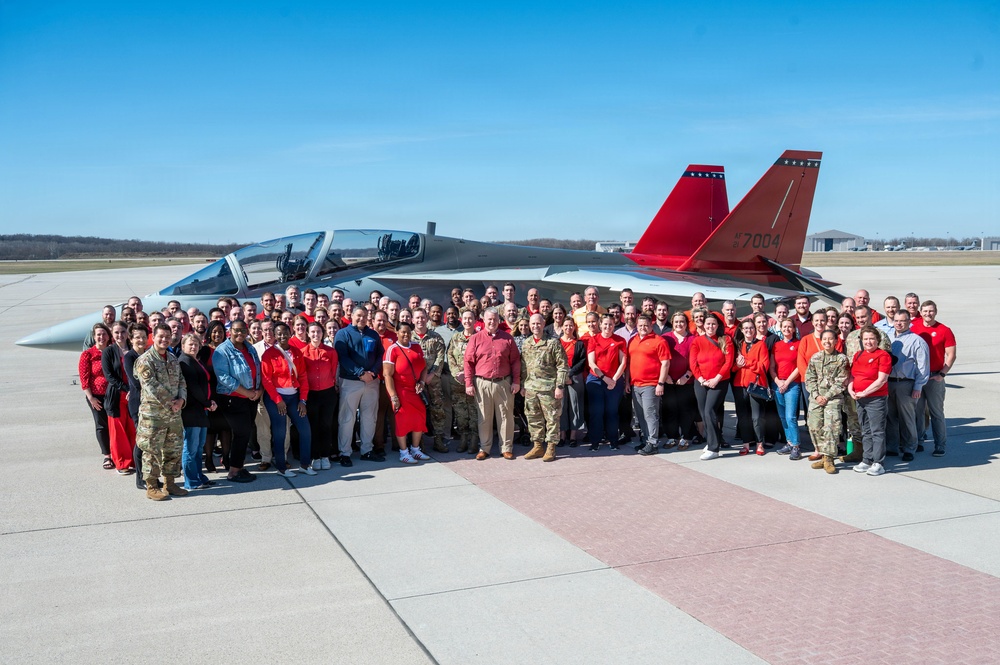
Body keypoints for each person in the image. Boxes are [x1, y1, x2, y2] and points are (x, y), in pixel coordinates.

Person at [134, 324, 188, 500]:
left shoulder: (172, 358)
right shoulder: (145, 360)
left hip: (173, 414)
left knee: (173, 449)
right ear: (153, 337)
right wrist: (170, 403)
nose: (164, 339)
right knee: (152, 451)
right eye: (161, 336)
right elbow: (151, 387)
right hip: (153, 416)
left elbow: (181, 381)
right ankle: (151, 485)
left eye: (167, 336)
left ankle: (170, 483)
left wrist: (181, 400)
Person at [464, 308, 521, 460]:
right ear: (484, 320)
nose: (492, 322)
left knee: (506, 416)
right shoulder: (475, 338)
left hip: (503, 383)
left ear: (498, 320)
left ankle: (506, 448)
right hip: (482, 383)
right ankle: (485, 448)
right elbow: (468, 362)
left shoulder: (508, 338)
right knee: (484, 417)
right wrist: (468, 384)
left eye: (495, 319)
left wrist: (516, 381)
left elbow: (515, 361)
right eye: (489, 319)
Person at [260, 322, 315, 477]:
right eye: (279, 333)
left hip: (295, 397)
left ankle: (305, 464)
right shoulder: (269, 354)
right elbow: (266, 379)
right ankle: (281, 468)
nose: (282, 336)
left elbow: (303, 377)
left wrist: (303, 400)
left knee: (305, 430)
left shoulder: (297, 352)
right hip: (275, 398)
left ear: (290, 334)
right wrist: (278, 400)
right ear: (274, 335)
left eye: (285, 333)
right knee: (280, 432)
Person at [212, 320, 263, 483]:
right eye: (236, 330)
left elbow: (258, 370)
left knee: (245, 433)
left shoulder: (250, 348)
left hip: (250, 398)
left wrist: (258, 390)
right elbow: (224, 378)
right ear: (230, 331)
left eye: (243, 330)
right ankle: (233, 471)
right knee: (241, 433)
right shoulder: (222, 351)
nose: (240, 333)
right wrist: (247, 392)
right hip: (232, 399)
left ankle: (239, 466)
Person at [334, 306, 385, 466]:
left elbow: (379, 355)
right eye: (358, 315)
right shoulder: (343, 333)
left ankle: (367, 450)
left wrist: (374, 372)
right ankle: (345, 453)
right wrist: (360, 372)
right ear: (351, 316)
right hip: (351, 382)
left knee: (369, 417)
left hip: (371, 382)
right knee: (347, 418)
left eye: (364, 316)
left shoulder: (373, 334)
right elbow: (342, 357)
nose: (361, 318)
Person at [520, 313, 568, 462]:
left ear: (543, 324)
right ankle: (537, 445)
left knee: (552, 418)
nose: (535, 326)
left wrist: (559, 386)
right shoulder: (527, 343)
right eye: (533, 324)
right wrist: (522, 385)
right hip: (531, 388)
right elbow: (523, 367)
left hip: (548, 388)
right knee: (533, 418)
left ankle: (551, 447)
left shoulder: (553, 343)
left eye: (538, 324)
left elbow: (562, 366)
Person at [911, 300, 956, 457]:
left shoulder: (944, 330)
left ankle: (940, 445)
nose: (927, 314)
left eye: (930, 311)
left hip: (934, 377)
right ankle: (918, 442)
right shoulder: (913, 327)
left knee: (936, 413)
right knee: (917, 412)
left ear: (935, 312)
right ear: (920, 312)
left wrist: (942, 374)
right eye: (925, 311)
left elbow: (951, 355)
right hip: (917, 377)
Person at [384, 321, 433, 463]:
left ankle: (415, 449)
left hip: (415, 390)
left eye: (408, 332)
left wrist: (422, 383)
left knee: (419, 417)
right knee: (402, 419)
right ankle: (404, 452)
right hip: (400, 390)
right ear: (397, 333)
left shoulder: (416, 347)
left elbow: (423, 367)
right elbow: (388, 375)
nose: (406, 334)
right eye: (403, 332)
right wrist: (393, 396)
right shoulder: (392, 349)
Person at [885, 311, 930, 462]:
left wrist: (918, 386)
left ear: (909, 321)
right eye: (896, 320)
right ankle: (892, 446)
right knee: (890, 417)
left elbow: (923, 367)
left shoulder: (917, 341)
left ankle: (909, 447)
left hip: (906, 383)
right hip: (888, 382)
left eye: (902, 321)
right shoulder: (888, 338)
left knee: (907, 418)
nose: (898, 323)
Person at [848, 326, 893, 476]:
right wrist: (851, 390)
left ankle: (878, 462)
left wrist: (865, 392)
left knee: (877, 431)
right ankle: (867, 459)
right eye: (865, 339)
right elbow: (852, 376)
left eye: (871, 339)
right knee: (865, 430)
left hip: (875, 399)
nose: (868, 342)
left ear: (877, 340)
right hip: (860, 398)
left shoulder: (883, 355)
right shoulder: (858, 355)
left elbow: (881, 380)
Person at [805, 330, 849, 474]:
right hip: (816, 398)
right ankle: (822, 455)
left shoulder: (841, 359)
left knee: (831, 427)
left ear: (836, 340)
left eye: (831, 339)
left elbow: (841, 381)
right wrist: (817, 395)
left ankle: (829, 458)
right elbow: (809, 378)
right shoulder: (815, 357)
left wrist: (827, 396)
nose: (827, 342)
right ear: (821, 340)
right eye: (824, 339)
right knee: (814, 426)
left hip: (833, 398)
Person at [690, 314, 734, 460]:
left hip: (719, 381)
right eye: (708, 324)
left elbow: (728, 362)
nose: (710, 327)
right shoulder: (697, 341)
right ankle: (710, 442)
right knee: (704, 413)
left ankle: (714, 448)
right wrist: (701, 379)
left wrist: (717, 379)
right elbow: (693, 362)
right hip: (701, 382)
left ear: (718, 325)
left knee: (710, 411)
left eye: (713, 324)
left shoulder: (725, 340)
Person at [627, 314, 671, 456]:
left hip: (651, 385)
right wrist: (627, 382)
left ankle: (653, 443)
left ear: (651, 326)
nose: (643, 328)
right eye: (640, 325)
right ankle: (646, 440)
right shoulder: (633, 341)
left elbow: (665, 363)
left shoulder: (659, 341)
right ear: (636, 326)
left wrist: (660, 383)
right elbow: (629, 363)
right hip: (635, 385)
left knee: (650, 415)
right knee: (640, 415)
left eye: (646, 325)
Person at [178, 333, 216, 490]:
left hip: (201, 409)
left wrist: (209, 402)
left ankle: (199, 476)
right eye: (190, 344)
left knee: (199, 446)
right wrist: (207, 403)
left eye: (196, 344)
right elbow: (193, 387)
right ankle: (191, 481)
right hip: (191, 410)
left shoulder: (196, 360)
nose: (193, 347)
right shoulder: (184, 362)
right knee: (191, 447)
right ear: (183, 346)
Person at [585, 314, 627, 451]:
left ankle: (613, 441)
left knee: (612, 412)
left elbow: (623, 362)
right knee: (596, 412)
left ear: (614, 325)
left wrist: (614, 379)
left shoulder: (620, 340)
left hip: (614, 381)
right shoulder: (594, 339)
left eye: (610, 324)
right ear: (600, 324)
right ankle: (595, 442)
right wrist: (604, 378)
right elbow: (591, 363)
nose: (608, 327)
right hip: (596, 380)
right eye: (605, 324)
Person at [100, 321, 137, 474]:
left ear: (128, 333)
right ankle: (122, 463)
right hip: (116, 396)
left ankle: (135, 460)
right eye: (116, 332)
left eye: (122, 332)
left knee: (133, 429)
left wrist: (134, 390)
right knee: (118, 431)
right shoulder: (108, 352)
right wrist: (126, 388)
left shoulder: (134, 350)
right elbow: (109, 376)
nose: (120, 335)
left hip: (133, 395)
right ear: (112, 334)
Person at [302, 321, 339, 469]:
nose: (316, 335)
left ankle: (325, 455)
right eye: (313, 332)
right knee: (313, 425)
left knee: (326, 425)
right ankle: (315, 456)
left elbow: (333, 371)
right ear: (308, 334)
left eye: (318, 332)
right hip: (311, 394)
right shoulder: (303, 352)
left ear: (322, 333)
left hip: (327, 393)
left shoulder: (330, 352)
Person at [411, 309, 448, 453]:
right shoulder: (408, 337)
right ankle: (418, 443)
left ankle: (438, 440)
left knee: (437, 410)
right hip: (415, 382)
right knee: (418, 411)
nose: (420, 320)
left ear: (427, 319)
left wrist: (431, 375)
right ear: (413, 320)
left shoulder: (436, 337)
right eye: (417, 318)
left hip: (433, 381)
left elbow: (440, 357)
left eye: (422, 317)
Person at [732, 317, 770, 456]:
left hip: (755, 384)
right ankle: (746, 444)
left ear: (755, 330)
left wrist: (746, 362)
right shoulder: (738, 345)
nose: (748, 330)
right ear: (742, 330)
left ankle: (760, 443)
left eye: (751, 328)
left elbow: (763, 366)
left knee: (757, 416)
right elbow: (733, 368)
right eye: (746, 328)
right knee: (743, 416)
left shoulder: (761, 345)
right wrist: (738, 365)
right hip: (739, 384)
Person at [661, 311, 697, 450]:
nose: (679, 324)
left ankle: (686, 437)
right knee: (670, 410)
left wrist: (687, 376)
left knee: (686, 410)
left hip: (686, 382)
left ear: (686, 324)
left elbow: (695, 361)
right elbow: (661, 359)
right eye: (676, 322)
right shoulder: (665, 338)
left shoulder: (693, 339)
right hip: (669, 381)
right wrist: (667, 376)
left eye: (682, 321)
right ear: (672, 323)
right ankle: (672, 437)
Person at [80, 322, 113, 469]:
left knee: (115, 425)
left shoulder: (113, 351)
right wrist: (91, 398)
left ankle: (118, 452)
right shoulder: (88, 354)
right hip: (97, 397)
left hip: (114, 395)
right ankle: (107, 456)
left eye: (104, 334)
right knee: (102, 425)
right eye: (98, 334)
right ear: (94, 337)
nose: (101, 337)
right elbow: (84, 378)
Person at [447, 310, 480, 453]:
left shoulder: (479, 338)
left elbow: (483, 360)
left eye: (470, 319)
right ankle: (463, 439)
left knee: (474, 411)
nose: (467, 321)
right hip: (458, 382)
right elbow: (450, 356)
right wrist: (456, 373)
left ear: (475, 320)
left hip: (474, 381)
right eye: (465, 319)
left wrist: (469, 375)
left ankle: (473, 440)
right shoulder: (456, 338)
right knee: (460, 412)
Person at [771, 319, 803, 460]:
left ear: (794, 329)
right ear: (781, 329)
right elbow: (772, 367)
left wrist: (787, 382)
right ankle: (789, 442)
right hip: (778, 384)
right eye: (784, 327)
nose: (787, 329)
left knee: (791, 416)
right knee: (783, 416)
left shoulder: (798, 344)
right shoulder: (776, 345)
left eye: (790, 327)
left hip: (792, 384)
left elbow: (799, 366)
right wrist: (778, 382)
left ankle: (796, 446)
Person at [558, 318, 588, 448]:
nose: (568, 328)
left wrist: (570, 374)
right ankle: (562, 436)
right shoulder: (556, 342)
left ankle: (573, 436)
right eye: (566, 325)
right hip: (559, 378)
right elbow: (553, 360)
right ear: (562, 327)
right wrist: (564, 375)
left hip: (575, 377)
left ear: (574, 327)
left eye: (571, 325)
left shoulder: (579, 343)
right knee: (561, 406)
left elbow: (582, 361)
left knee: (575, 406)